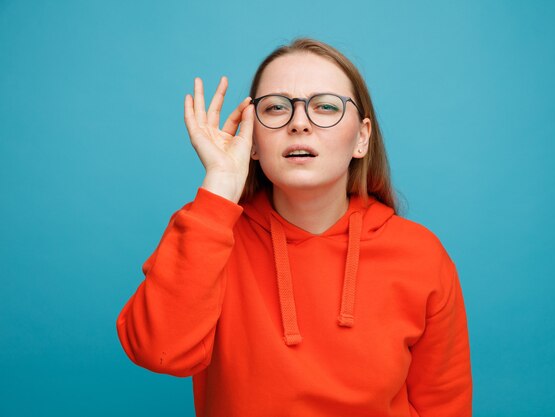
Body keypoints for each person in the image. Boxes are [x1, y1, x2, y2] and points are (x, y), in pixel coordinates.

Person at [116, 37, 472, 417]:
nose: (299, 123)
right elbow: (158, 352)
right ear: (252, 141)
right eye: (275, 108)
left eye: (325, 107)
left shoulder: (419, 253)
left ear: (362, 137)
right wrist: (219, 185)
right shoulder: (207, 229)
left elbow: (444, 404)